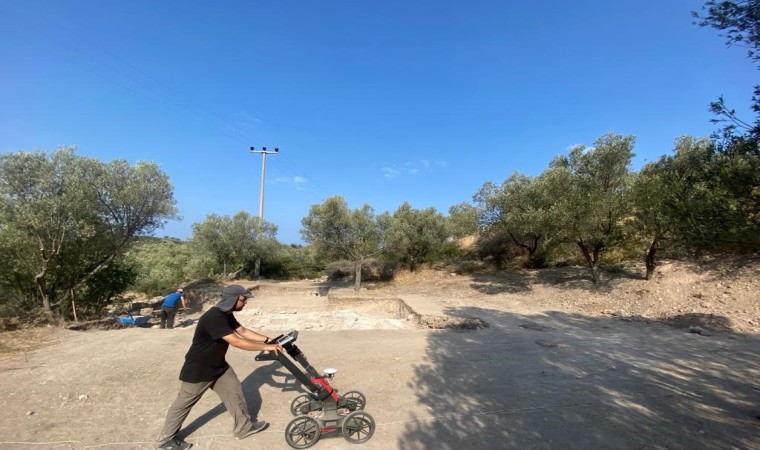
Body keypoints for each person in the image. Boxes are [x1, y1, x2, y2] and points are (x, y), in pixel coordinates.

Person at [155, 284, 283, 450]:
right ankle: (165, 441)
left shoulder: (226, 314)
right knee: (184, 403)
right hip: (199, 368)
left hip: (218, 366)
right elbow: (236, 341)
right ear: (233, 299)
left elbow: (243, 331)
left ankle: (243, 427)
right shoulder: (214, 317)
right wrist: (266, 347)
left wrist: (269, 340)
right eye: (243, 300)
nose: (245, 303)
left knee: (234, 390)